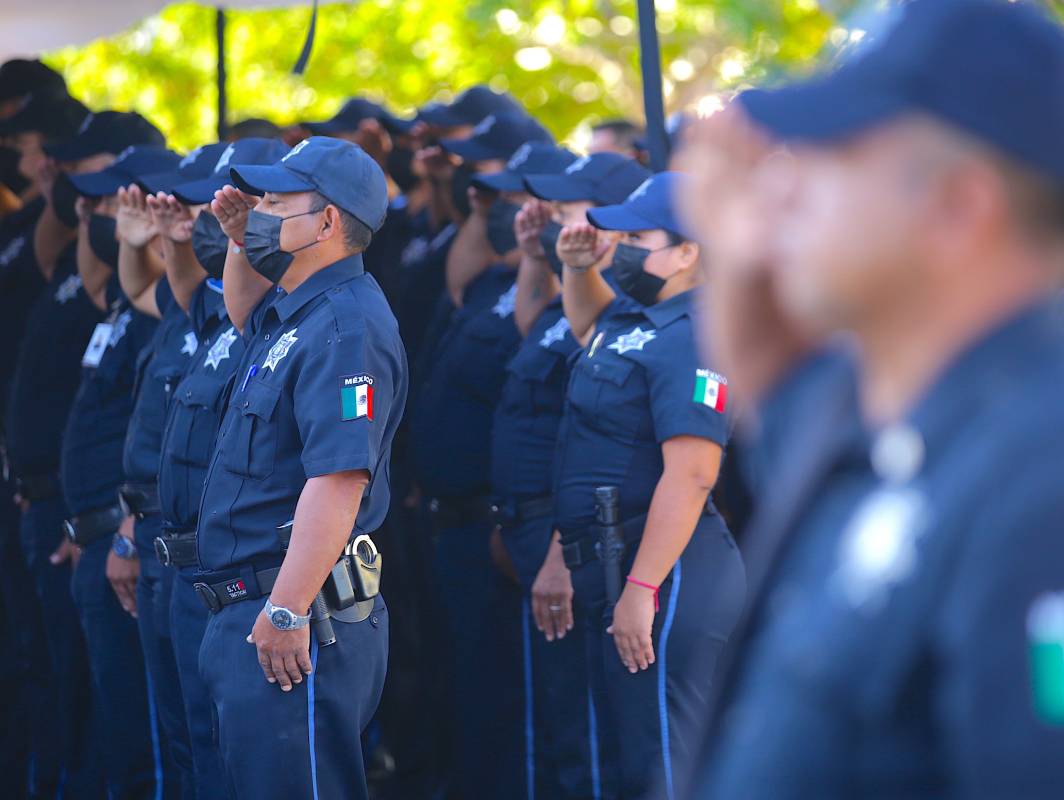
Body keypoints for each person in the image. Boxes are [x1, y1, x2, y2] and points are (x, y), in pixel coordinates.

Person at [678, 1, 1064, 797]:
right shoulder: (897, 411)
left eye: (829, 150)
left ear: (959, 206)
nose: (782, 186)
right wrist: (732, 248)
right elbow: (767, 375)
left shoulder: (1041, 484)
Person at [193, 136, 406, 800]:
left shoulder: (348, 326)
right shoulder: (297, 315)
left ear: (327, 221)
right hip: (250, 607)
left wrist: (286, 610)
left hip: (297, 612)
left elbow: (338, 480)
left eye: (276, 202)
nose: (259, 212)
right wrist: (240, 240)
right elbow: (243, 313)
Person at [553, 171, 746, 799]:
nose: (623, 248)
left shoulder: (699, 331)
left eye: (639, 235)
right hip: (615, 564)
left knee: (665, 765)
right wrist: (577, 268)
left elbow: (692, 474)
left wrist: (641, 588)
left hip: (666, 570)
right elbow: (590, 330)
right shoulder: (637, 313)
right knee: (626, 762)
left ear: (689, 250)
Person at [484, 149, 653, 799]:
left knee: (582, 730)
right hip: (529, 529)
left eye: (570, 207)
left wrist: (560, 547)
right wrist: (536, 254)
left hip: (574, 538)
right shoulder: (572, 299)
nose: (554, 215)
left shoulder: (624, 312)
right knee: (553, 719)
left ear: (614, 223)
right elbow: (533, 324)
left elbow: (593, 442)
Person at [152, 134, 289, 800]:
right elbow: (188, 289)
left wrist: (242, 240)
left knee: (243, 757)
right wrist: (180, 238)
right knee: (196, 750)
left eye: (240, 205)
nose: (219, 217)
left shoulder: (281, 317)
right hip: (188, 571)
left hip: (246, 574)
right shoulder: (217, 311)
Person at [48, 115, 170, 799]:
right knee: (114, 726)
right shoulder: (128, 303)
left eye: (115, 202)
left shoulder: (170, 312)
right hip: (93, 539)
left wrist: (126, 523)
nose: (98, 215)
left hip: (134, 544)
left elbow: (154, 429)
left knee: (151, 739)